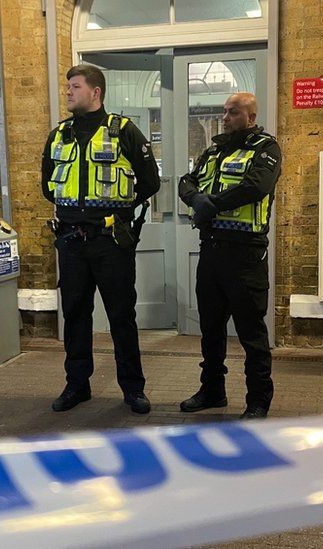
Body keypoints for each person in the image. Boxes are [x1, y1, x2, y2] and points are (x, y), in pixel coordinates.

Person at [41, 64, 160, 414]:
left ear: (95, 92)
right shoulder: (59, 134)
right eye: (67, 87)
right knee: (76, 316)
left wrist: (120, 207)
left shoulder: (123, 131)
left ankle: (133, 389)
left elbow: (150, 181)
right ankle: (77, 386)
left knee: (121, 316)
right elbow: (47, 184)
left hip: (110, 241)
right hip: (70, 241)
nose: (68, 92)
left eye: (74, 86)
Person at [178, 92, 282, 419]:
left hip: (245, 255)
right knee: (210, 330)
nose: (225, 118)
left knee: (252, 334)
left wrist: (212, 204)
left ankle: (258, 400)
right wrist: (196, 199)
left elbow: (257, 186)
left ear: (250, 117)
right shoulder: (213, 151)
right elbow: (185, 182)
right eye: (224, 112)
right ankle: (212, 390)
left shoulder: (266, 148)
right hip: (211, 252)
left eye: (233, 112)